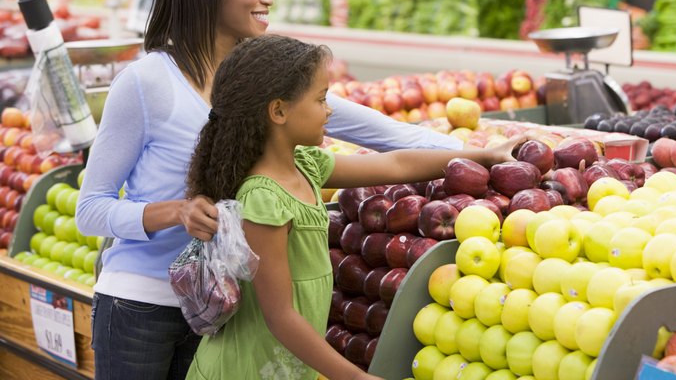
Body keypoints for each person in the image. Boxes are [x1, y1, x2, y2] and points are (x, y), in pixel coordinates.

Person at [75, 0, 465, 379]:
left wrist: (486, 155)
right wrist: (176, 212)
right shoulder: (146, 83)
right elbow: (90, 209)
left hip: (227, 314)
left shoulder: (265, 76)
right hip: (143, 307)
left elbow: (394, 139)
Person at [182, 34, 524, 380]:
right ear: (279, 110)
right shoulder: (263, 200)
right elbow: (280, 317)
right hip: (245, 370)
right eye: (320, 99)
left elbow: (397, 166)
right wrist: (356, 377)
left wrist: (484, 155)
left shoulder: (306, 164)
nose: (329, 110)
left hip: (283, 368)